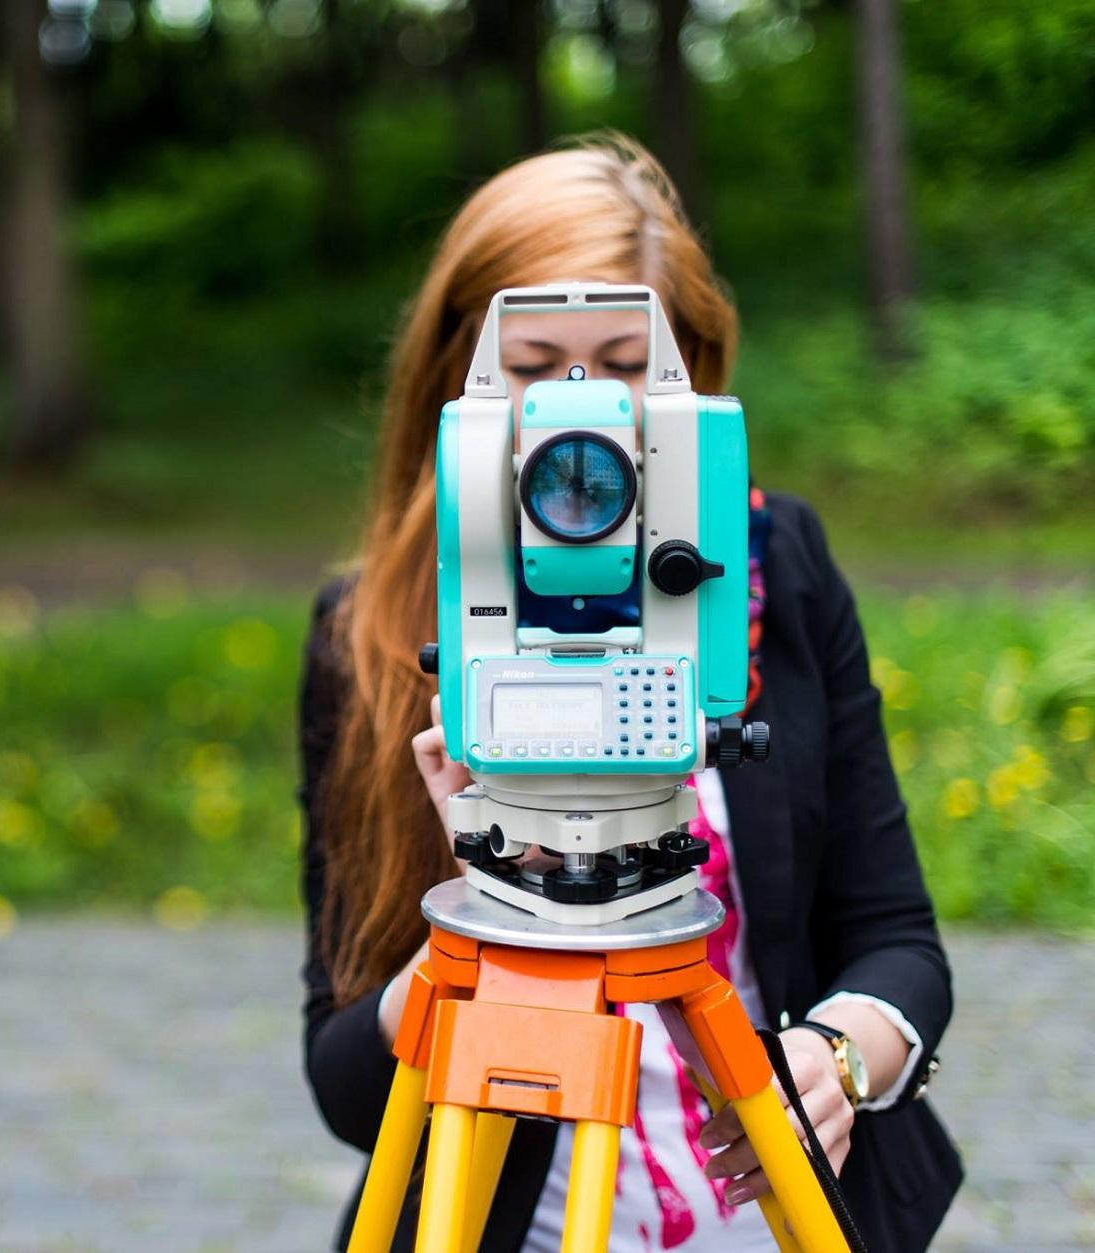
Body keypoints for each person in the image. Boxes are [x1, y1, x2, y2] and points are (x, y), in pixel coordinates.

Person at [297, 133, 962, 1252]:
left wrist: (839, 1055)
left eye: (617, 363)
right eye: (534, 364)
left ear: (687, 378)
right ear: (460, 380)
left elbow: (895, 938)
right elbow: (343, 1083)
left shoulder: (774, 566)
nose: (577, 420)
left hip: (761, 1213)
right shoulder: (362, 632)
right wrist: (492, 890)